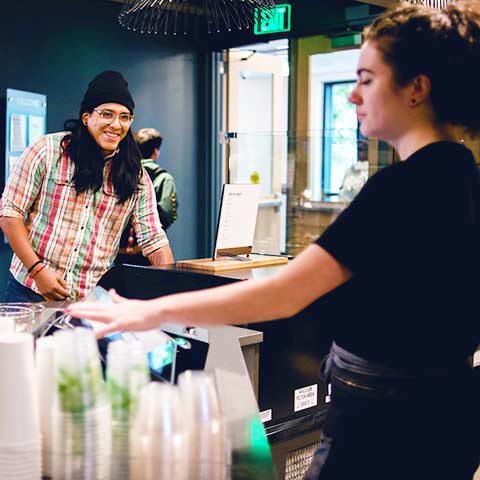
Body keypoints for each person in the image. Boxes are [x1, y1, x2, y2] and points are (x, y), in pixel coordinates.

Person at [67, 3, 480, 479]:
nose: (351, 97)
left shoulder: (404, 186)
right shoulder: (462, 174)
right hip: (446, 416)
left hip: (382, 427)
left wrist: (149, 312)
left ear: (417, 89)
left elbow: (282, 295)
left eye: (366, 79)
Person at [0, 71, 173, 302]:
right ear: (86, 117)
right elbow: (10, 213)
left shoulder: (136, 175)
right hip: (29, 290)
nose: (116, 124)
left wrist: (172, 292)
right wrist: (38, 271)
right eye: (107, 114)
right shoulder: (47, 151)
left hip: (89, 300)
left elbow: (154, 240)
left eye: (124, 117)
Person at [116, 128, 178, 266]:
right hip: (146, 251)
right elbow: (167, 216)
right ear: (155, 152)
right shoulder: (163, 178)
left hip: (117, 250)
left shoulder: (120, 173)